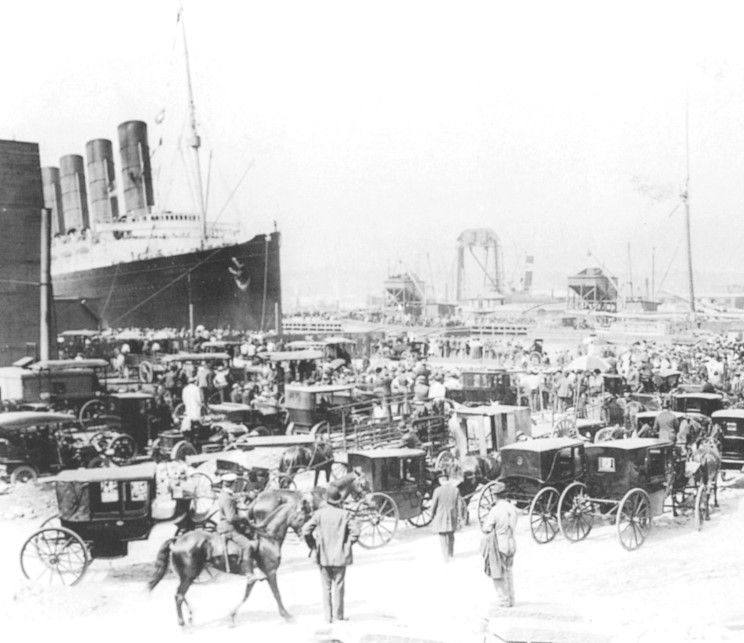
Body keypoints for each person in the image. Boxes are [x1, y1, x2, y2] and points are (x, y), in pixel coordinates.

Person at [301, 485, 360, 623]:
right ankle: (338, 616)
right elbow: (355, 533)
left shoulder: (319, 514)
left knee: (326, 588)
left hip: (323, 556)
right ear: (338, 500)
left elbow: (305, 530)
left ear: (326, 500)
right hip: (340, 556)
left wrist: (313, 545)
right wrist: (347, 544)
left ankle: (328, 617)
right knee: (339, 586)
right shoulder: (344, 514)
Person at [216, 473, 261, 582]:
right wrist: (243, 517)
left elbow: (234, 497)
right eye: (235, 483)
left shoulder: (224, 494)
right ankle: (249, 574)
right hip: (228, 528)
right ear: (233, 485)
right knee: (247, 545)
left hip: (228, 525)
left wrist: (245, 495)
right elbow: (231, 518)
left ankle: (254, 564)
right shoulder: (227, 498)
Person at [481, 481, 518, 608]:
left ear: (495, 496)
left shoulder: (495, 510)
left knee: (498, 572)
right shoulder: (512, 508)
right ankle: (511, 599)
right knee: (509, 571)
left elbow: (486, 528)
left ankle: (503, 600)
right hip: (511, 542)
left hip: (500, 543)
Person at [430, 473, 462, 562]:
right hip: (452, 515)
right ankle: (451, 553)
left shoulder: (437, 490)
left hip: (441, 516)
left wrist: (432, 515)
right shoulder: (456, 490)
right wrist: (459, 516)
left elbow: (433, 505)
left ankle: (445, 557)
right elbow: (459, 504)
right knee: (451, 534)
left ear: (440, 480)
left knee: (442, 535)